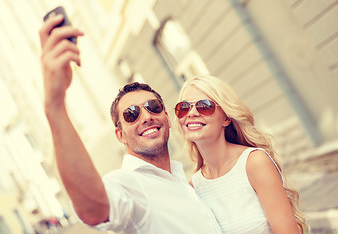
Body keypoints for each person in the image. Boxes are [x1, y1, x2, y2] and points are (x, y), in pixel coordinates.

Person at [39, 14, 222, 233]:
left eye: (153, 107)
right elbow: (94, 209)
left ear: (167, 118)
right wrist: (55, 105)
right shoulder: (130, 184)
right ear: (120, 135)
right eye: (131, 114)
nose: (146, 117)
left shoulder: (184, 179)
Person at [174, 75, 306, 234]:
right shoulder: (194, 186)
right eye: (184, 107)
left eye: (204, 105)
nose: (192, 113)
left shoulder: (254, 162)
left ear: (226, 118)